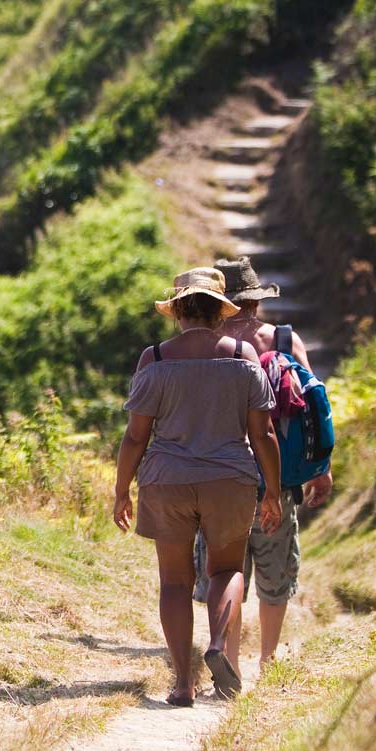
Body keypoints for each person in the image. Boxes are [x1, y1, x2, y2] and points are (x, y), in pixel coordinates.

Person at [114, 267, 282, 704]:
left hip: (167, 482)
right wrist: (274, 492)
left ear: (177, 310)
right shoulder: (244, 356)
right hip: (230, 480)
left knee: (173, 581)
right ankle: (217, 645)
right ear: (220, 311)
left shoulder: (156, 359)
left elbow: (135, 436)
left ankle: (183, 683)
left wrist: (121, 491)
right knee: (226, 571)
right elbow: (262, 434)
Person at [213, 256, 333, 669]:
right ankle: (267, 659)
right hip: (275, 478)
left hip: (221, 479)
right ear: (255, 301)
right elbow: (314, 412)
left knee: (225, 571)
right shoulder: (283, 340)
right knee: (275, 575)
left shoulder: (208, 344)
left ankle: (227, 657)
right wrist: (321, 469)